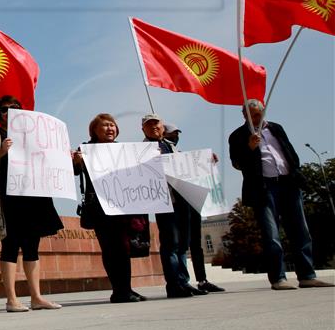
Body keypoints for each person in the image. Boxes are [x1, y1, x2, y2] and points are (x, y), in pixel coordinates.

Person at [228, 99, 334, 290]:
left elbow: (289, 152)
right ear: (245, 116)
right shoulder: (238, 136)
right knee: (271, 234)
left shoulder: (276, 128)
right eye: (252, 115)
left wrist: (295, 171)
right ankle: (278, 278)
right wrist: (249, 148)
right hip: (264, 188)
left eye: (259, 114)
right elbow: (237, 163)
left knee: (300, 231)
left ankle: (307, 275)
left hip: (288, 184)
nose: (256, 118)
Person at [0, 96, 64, 312]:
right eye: (4, 109)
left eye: (14, 108)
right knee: (10, 246)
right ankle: (11, 299)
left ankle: (36, 297)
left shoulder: (35, 135)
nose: (9, 112)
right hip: (7, 197)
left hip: (33, 195)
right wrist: (1, 151)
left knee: (32, 247)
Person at [72, 114, 149, 303]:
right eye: (105, 125)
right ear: (94, 131)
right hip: (100, 208)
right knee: (111, 249)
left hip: (123, 207)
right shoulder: (86, 150)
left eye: (112, 125)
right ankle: (119, 290)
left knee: (124, 248)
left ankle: (126, 288)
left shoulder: (125, 150)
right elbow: (74, 171)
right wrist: (77, 161)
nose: (109, 129)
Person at [142, 114, 207, 298]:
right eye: (149, 124)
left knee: (182, 244)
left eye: (157, 123)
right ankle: (173, 284)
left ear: (163, 127)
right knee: (170, 243)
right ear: (143, 130)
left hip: (182, 199)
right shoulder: (142, 149)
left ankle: (183, 281)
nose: (154, 127)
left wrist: (205, 162)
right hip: (164, 201)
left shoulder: (170, 146)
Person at [163, 123, 225, 293]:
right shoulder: (159, 151)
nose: (175, 136)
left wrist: (207, 160)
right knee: (180, 243)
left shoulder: (181, 155)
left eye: (176, 133)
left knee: (196, 242)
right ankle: (181, 281)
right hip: (176, 204)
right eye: (171, 133)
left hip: (191, 201)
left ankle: (202, 279)